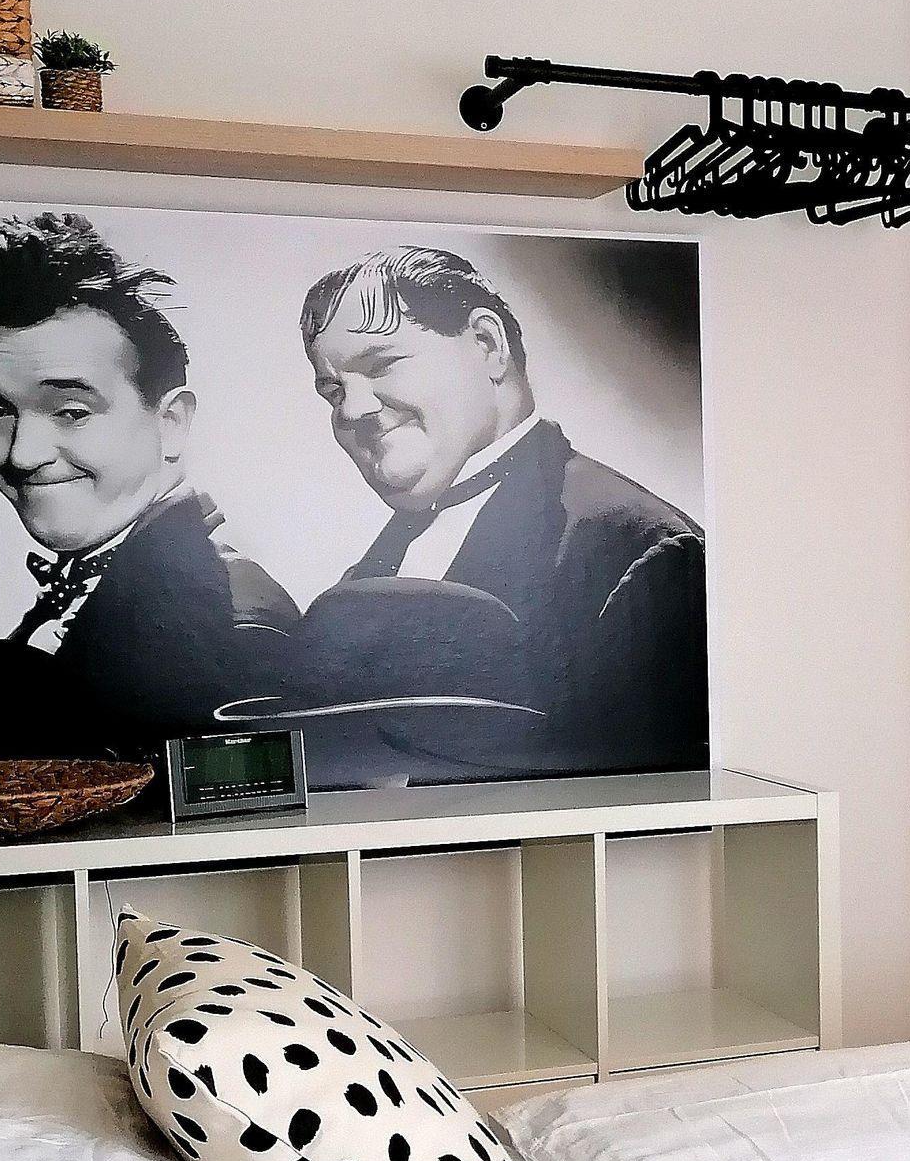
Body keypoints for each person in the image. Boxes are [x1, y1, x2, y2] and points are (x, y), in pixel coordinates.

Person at [0, 212, 298, 767]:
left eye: (71, 411)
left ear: (171, 423)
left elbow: (236, 817)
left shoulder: (228, 624)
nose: (21, 454)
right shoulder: (117, 588)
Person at [292, 246, 708, 783]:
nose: (352, 409)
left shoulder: (640, 549)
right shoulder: (370, 572)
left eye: (381, 365)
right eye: (333, 392)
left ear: (488, 345)